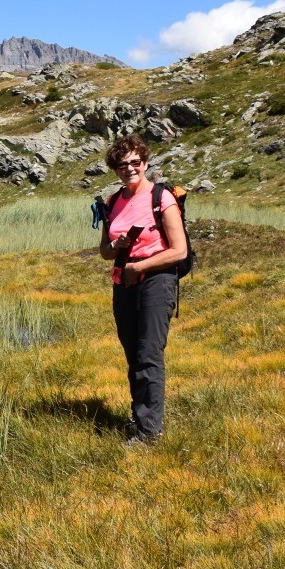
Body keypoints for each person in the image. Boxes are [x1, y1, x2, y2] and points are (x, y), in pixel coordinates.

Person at [98, 134, 188, 446]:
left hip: (156, 280)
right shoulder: (113, 202)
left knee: (148, 353)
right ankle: (140, 416)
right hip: (123, 283)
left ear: (146, 163)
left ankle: (149, 433)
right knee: (133, 353)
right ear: (115, 170)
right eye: (122, 165)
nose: (130, 169)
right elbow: (104, 252)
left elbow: (179, 251)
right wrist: (116, 245)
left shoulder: (161, 197)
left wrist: (140, 267)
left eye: (135, 162)